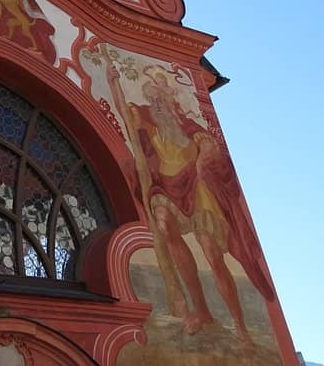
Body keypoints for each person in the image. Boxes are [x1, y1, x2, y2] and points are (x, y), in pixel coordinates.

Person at [105, 58, 273, 347]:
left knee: (211, 251)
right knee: (164, 223)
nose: (158, 104)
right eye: (153, 99)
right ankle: (201, 310)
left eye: (162, 99)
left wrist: (205, 155)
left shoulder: (188, 124)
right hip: (165, 186)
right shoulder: (145, 119)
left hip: (196, 187)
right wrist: (114, 83)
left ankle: (240, 326)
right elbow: (123, 112)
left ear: (172, 102)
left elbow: (210, 145)